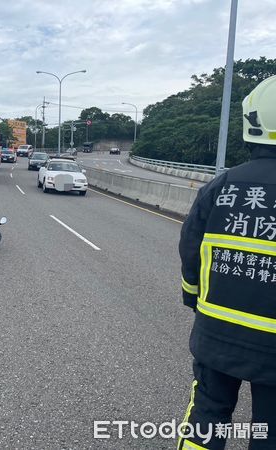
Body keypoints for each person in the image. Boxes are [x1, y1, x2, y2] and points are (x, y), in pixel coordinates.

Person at [178, 75, 276, 449]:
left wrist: (195, 299)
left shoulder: (221, 186)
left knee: (207, 420)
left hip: (216, 333)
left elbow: (191, 251)